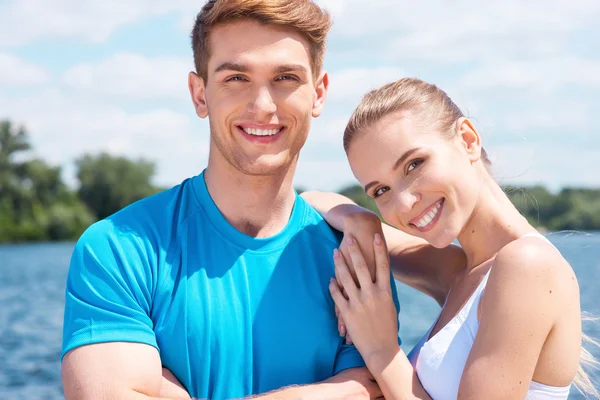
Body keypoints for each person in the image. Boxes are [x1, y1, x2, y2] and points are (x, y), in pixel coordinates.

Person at [60, 3, 465, 399]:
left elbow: (374, 385)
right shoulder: (117, 248)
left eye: (286, 77)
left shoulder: (352, 257)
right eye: (236, 78)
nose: (263, 106)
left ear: (318, 93)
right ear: (199, 94)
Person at [305, 77, 598, 399]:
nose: (403, 203)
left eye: (414, 164)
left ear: (468, 140)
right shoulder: (457, 270)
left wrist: (380, 349)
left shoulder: (527, 265)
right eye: (381, 190)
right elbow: (316, 199)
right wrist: (362, 223)